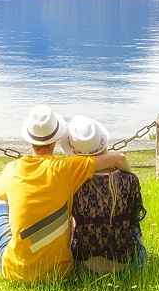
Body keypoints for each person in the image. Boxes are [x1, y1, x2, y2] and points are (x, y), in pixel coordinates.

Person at [0, 104, 132, 284]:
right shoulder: (66, 168)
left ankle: (0, 245)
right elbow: (119, 158)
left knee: (0, 199)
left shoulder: (12, 170)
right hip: (60, 272)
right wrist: (128, 178)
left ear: (29, 138)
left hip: (16, 273)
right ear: (57, 139)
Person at [63, 115, 147, 274]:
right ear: (103, 142)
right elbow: (136, 220)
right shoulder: (129, 179)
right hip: (131, 265)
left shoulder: (73, 183)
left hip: (85, 267)